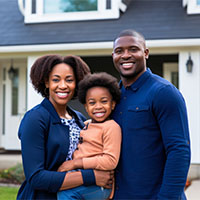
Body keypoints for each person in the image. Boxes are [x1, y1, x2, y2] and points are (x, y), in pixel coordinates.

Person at [17, 55, 114, 200]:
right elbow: (36, 177)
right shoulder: (35, 119)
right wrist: (91, 177)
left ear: (77, 83)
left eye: (69, 80)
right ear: (46, 82)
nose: (63, 85)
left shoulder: (80, 119)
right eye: (56, 80)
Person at [111, 29, 191, 199]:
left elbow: (179, 150)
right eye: (119, 51)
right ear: (113, 56)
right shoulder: (113, 97)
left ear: (145, 53)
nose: (125, 55)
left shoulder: (163, 92)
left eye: (133, 49)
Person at [57, 72, 122, 199]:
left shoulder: (111, 127)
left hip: (99, 185)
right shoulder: (86, 124)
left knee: (65, 193)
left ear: (113, 104)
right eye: (92, 103)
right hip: (85, 178)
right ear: (86, 107)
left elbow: (110, 161)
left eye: (104, 101)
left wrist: (76, 163)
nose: (98, 107)